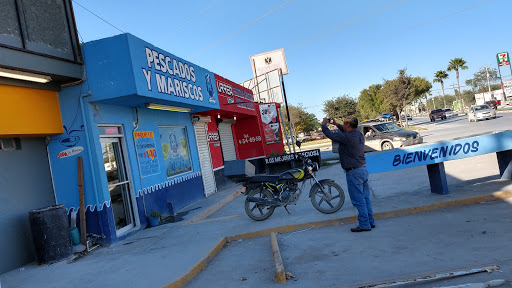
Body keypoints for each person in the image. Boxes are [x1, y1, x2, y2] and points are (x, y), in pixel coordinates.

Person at [321, 116, 375, 232]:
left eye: (344, 124)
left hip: (353, 172)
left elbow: (331, 135)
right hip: (362, 170)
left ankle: (365, 225)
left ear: (348, 126)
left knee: (358, 200)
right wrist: (336, 124)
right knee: (365, 198)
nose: (343, 125)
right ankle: (371, 221)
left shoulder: (348, 138)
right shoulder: (358, 135)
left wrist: (324, 125)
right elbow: (343, 131)